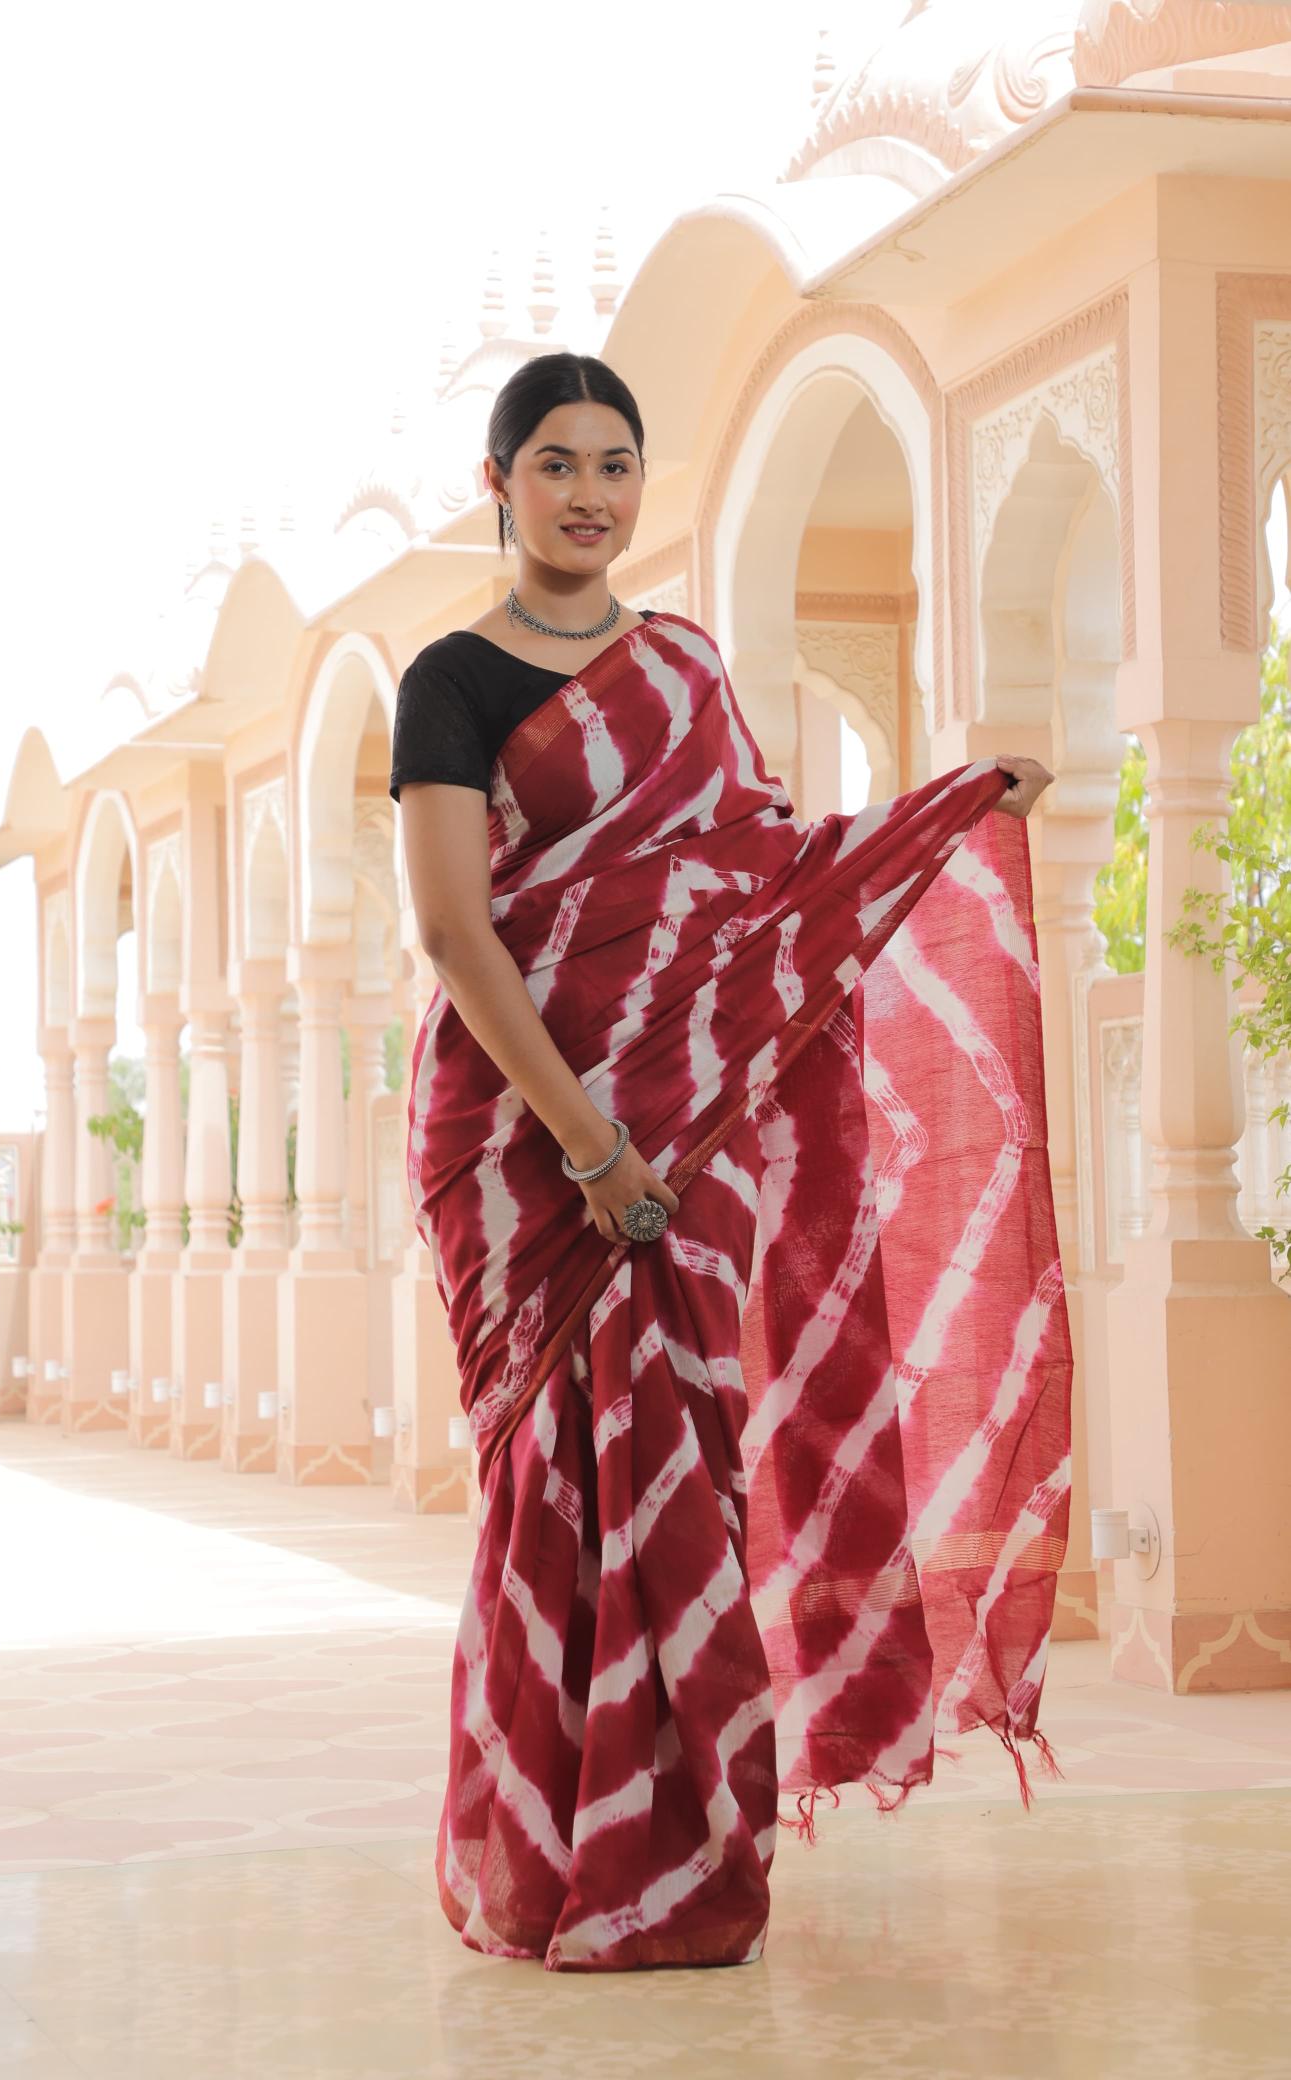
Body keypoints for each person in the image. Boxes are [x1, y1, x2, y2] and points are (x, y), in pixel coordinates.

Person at [390, 350, 1068, 1974]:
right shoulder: (453, 680)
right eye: (556, 464)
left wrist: (944, 809)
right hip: (524, 1128)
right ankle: (554, 1860)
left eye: (617, 465)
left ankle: (675, 1865)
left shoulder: (683, 665)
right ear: (500, 482)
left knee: (679, 1464)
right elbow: (450, 927)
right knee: (551, 1482)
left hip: (688, 1128)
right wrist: (589, 1140)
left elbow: (764, 878)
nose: (590, 495)